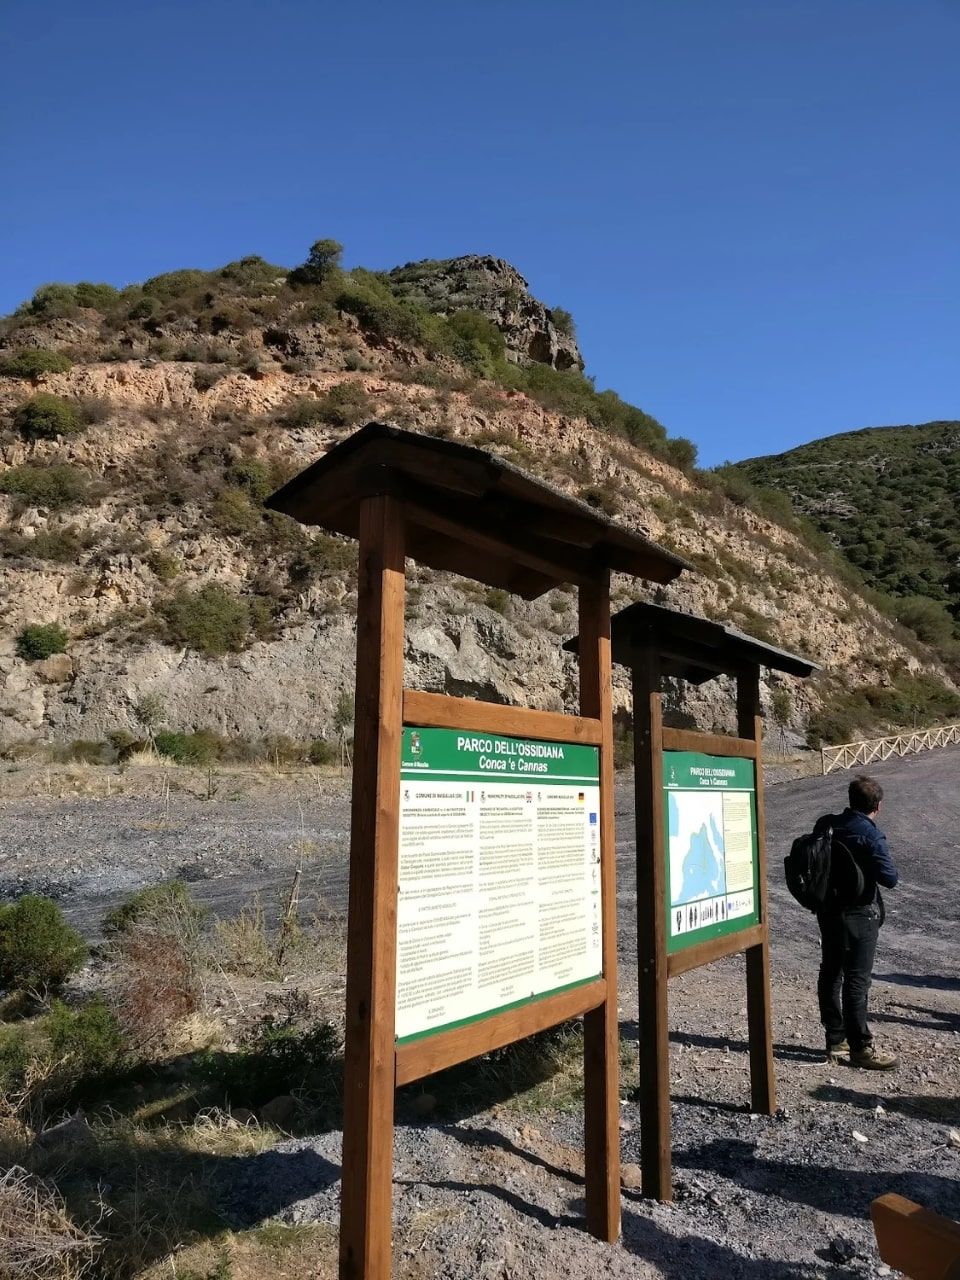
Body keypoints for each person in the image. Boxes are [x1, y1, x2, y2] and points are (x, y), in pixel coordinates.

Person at [813, 774, 899, 1069]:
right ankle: (861, 1048)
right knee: (856, 980)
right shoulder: (870, 834)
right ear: (878, 805)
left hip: (828, 911)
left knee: (831, 973)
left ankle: (835, 1042)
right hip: (860, 914)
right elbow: (890, 878)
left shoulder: (826, 824)